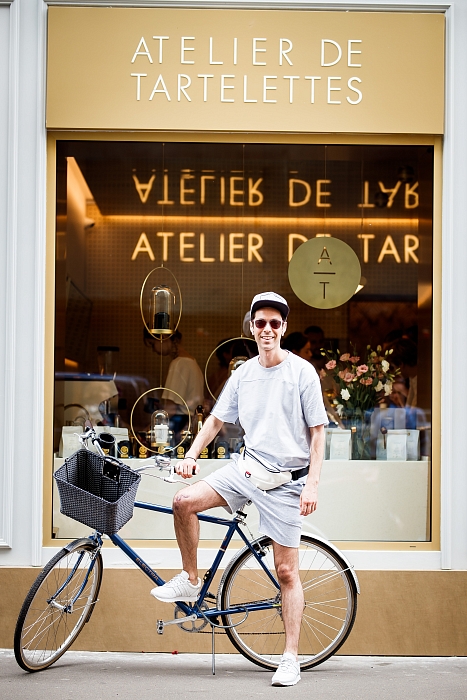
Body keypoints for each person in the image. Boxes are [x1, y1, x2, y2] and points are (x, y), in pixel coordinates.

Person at [151, 292, 327, 687]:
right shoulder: (244, 374)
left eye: (275, 324)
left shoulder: (302, 373)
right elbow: (215, 420)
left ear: (283, 328)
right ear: (251, 326)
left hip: (286, 481)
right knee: (183, 501)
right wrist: (191, 455)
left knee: (286, 571)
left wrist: (312, 483)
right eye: (260, 323)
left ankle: (290, 657)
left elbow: (318, 433)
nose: (267, 330)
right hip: (246, 468)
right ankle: (192, 578)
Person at [146, 329, 205, 437]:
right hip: (190, 424)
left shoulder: (179, 363)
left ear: (163, 337)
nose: (153, 350)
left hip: (179, 425)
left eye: (152, 344)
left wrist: (148, 429)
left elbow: (171, 409)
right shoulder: (190, 361)